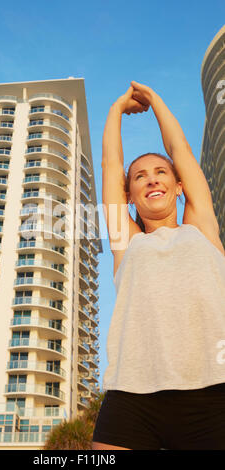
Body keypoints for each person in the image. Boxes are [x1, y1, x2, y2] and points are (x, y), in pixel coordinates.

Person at [92, 81, 225, 450]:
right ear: (130, 195)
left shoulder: (202, 228)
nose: (151, 178)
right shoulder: (127, 242)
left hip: (214, 391)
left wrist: (155, 101)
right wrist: (116, 109)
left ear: (179, 186)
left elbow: (179, 150)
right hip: (133, 395)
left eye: (160, 172)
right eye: (139, 176)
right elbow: (110, 165)